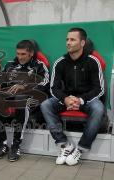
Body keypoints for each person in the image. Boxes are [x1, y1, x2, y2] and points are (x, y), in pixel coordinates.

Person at [40, 28, 104, 166]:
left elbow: (99, 89)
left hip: (86, 100)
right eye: (67, 39)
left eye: (72, 39)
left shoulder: (93, 61)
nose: (68, 42)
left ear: (82, 42)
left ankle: (80, 149)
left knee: (98, 108)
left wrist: (80, 100)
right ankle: (64, 145)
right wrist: (65, 99)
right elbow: (54, 88)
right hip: (66, 99)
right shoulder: (60, 62)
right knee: (46, 105)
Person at [0, 40, 49, 162]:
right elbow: (0, 77)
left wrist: (25, 87)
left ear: (31, 53)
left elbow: (45, 84)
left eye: (23, 54)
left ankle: (16, 145)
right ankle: (2, 144)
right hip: (10, 95)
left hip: (31, 98)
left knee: (20, 100)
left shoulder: (39, 66)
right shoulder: (10, 64)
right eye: (18, 54)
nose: (20, 57)